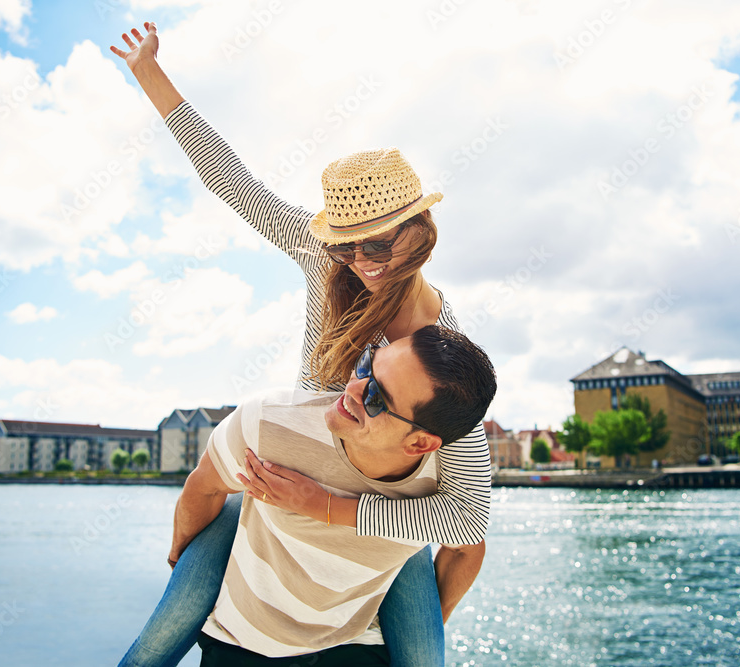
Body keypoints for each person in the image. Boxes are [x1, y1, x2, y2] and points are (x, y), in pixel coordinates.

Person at [111, 22, 495, 667]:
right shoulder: (326, 263)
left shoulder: (438, 349)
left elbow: (465, 516)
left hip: (370, 507)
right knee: (160, 637)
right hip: (278, 476)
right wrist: (149, 72)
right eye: (345, 243)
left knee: (424, 657)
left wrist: (338, 517)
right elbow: (229, 180)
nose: (359, 261)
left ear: (421, 227)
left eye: (375, 243)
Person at [180, 326, 496, 665]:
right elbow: (204, 486)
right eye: (365, 364)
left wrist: (430, 626)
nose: (353, 389)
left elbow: (467, 548)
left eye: (376, 398)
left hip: (354, 648)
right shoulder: (269, 422)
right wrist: (180, 563)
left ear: (419, 443)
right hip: (244, 644)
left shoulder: (438, 492)